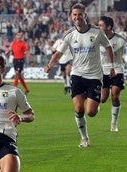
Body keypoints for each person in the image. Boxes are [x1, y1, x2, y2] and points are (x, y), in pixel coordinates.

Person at [44, 3, 114, 147]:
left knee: (91, 112)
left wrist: (112, 66)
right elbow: (59, 53)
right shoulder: (70, 35)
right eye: (74, 15)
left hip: (94, 75)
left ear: (85, 15)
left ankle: (95, 103)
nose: (77, 17)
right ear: (71, 16)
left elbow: (108, 46)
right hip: (77, 75)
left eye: (79, 14)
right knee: (78, 109)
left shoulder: (97, 32)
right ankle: (84, 138)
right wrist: (50, 64)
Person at [98, 16, 126, 132]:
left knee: (115, 95)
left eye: (101, 25)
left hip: (117, 69)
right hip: (103, 71)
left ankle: (114, 123)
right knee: (103, 99)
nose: (98, 28)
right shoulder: (96, 39)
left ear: (109, 27)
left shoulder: (120, 39)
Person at [8, 30, 30, 95]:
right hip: (15, 60)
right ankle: (26, 89)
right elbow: (11, 50)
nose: (20, 36)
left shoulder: (23, 43)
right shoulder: (13, 43)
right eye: (18, 35)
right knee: (19, 76)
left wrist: (27, 55)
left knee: (17, 74)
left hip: (20, 60)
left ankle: (13, 89)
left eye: (21, 35)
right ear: (16, 36)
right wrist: (9, 51)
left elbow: (27, 51)